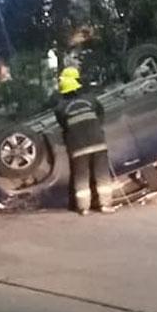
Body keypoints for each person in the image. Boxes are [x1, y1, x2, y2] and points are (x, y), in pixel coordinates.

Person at [53, 66, 114, 215]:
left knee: (81, 176)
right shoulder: (90, 99)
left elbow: (64, 125)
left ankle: (83, 208)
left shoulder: (60, 108)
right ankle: (105, 205)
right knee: (102, 174)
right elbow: (101, 115)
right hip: (97, 142)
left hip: (77, 146)